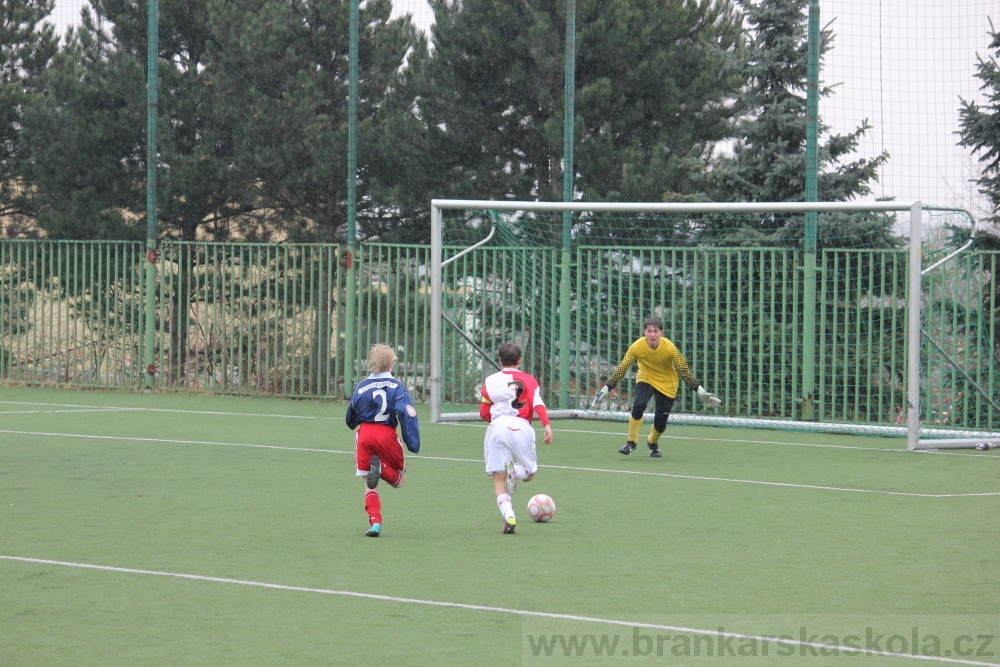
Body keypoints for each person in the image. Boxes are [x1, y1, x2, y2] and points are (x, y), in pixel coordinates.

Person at [592, 317, 721, 457]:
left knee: (660, 423)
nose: (652, 335)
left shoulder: (669, 348)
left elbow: (683, 370)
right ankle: (631, 442)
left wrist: (699, 390)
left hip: (667, 384)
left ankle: (652, 443)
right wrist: (605, 389)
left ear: (661, 332)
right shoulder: (636, 346)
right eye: (649, 331)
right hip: (646, 378)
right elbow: (622, 368)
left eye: (656, 331)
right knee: (639, 404)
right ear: (644, 332)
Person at [346, 343, 420, 537]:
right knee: (399, 481)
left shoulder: (361, 387)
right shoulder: (397, 386)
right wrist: (412, 441)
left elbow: (350, 418)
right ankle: (382, 468)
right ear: (390, 365)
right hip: (386, 434)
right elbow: (406, 413)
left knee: (369, 484)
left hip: (365, 435)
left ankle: (375, 523)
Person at [479, 343, 553, 534]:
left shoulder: (491, 381)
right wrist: (546, 425)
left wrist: (496, 422)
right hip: (522, 427)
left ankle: (509, 515)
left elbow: (484, 412)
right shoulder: (530, 380)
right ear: (519, 360)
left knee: (499, 479)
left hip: (498, 427)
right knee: (529, 474)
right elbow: (538, 404)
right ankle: (516, 471)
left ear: (499, 360)